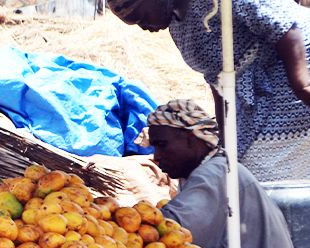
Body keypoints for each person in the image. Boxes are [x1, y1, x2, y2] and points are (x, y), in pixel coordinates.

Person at [107, 0, 310, 182]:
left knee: (263, 169)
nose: (143, 27)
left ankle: (282, 219)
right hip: (254, 91)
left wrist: (302, 85)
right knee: (236, 164)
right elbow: (216, 77)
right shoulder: (178, 26)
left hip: (291, 64)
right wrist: (225, 135)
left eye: (141, 18)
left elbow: (285, 26)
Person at [145, 99, 300, 248]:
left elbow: (172, 231)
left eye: (162, 145)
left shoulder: (216, 172)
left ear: (190, 139)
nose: (156, 157)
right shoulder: (207, 169)